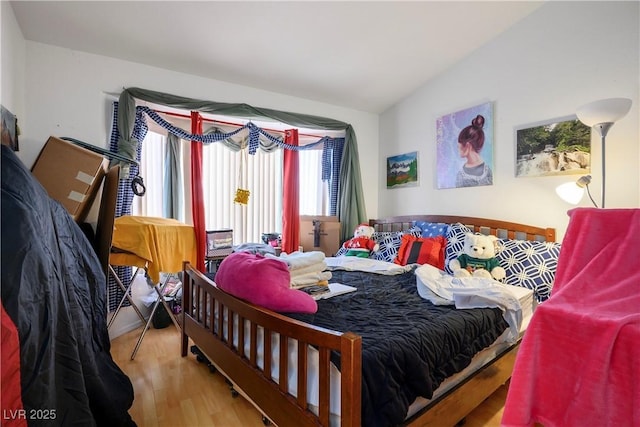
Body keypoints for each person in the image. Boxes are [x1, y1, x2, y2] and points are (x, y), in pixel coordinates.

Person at [455, 114, 493, 187]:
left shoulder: (488, 171)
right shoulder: (488, 171)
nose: (458, 149)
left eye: (459, 146)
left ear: (468, 146)